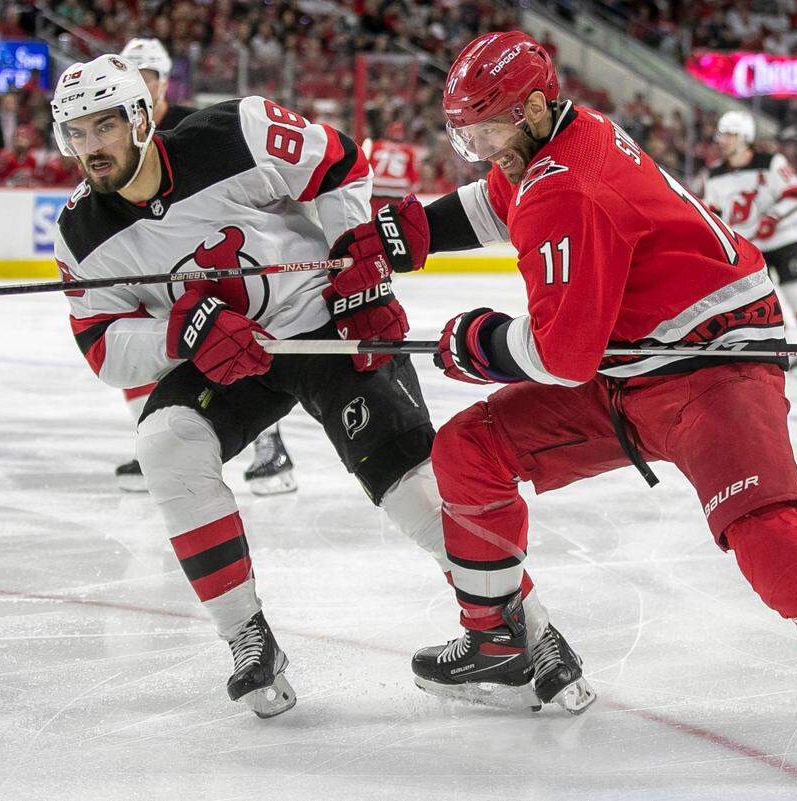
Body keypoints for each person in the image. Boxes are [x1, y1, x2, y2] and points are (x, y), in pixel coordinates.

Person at [328, 31, 797, 785]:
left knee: (765, 534)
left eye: (489, 132)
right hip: (634, 361)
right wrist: (405, 233)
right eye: (466, 136)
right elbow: (492, 200)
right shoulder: (557, 136)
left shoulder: (564, 186)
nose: (481, 151)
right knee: (469, 451)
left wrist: (474, 339)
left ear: (535, 107)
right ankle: (497, 643)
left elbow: (561, 353)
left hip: (711, 367)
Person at [48, 54, 582, 718]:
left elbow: (339, 164)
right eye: (75, 133)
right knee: (165, 443)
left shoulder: (234, 130)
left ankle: (537, 635)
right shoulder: (79, 232)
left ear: (137, 120)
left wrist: (356, 265)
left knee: (412, 488)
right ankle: (247, 637)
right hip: (232, 356)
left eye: (102, 126)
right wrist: (180, 336)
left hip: (325, 319)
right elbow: (104, 348)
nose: (89, 147)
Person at [115, 36, 296, 495]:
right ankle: (154, 441)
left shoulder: (188, 125)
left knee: (239, 343)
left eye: (147, 75)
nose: (139, 83)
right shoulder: (116, 136)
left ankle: (270, 449)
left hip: (206, 256)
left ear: (162, 82)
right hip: (153, 261)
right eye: (131, 75)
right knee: (149, 346)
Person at [703, 110, 797, 376]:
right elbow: (713, 213)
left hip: (782, 241)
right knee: (765, 305)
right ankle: (785, 354)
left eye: (730, 134)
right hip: (750, 248)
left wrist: (773, 217)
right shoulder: (714, 175)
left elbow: (794, 194)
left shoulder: (771, 162)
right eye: (722, 134)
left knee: (796, 296)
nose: (723, 140)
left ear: (745, 137)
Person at [363, 119, 419, 212]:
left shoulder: (376, 146)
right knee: (394, 219)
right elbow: (412, 172)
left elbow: (368, 165)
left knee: (374, 218)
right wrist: (414, 184)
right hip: (398, 190)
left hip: (376, 188)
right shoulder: (408, 150)